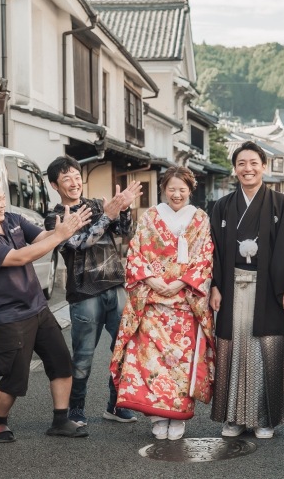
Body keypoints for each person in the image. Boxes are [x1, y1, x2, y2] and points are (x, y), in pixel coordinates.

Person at [0, 173, 92, 442]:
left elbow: (42, 236)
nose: (3, 203)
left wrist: (64, 229)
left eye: (3, 197)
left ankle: (60, 420)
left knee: (61, 363)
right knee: (14, 378)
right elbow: (20, 257)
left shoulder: (11, 219)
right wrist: (59, 236)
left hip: (38, 307)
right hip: (8, 316)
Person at [209, 141, 284, 439]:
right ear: (235, 169)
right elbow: (213, 250)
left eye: (253, 163)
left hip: (269, 288)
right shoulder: (222, 206)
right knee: (232, 348)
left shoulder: (280, 204)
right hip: (231, 286)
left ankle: (264, 418)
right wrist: (215, 286)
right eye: (241, 163)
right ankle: (233, 417)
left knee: (266, 347)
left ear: (264, 166)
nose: (248, 169)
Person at [110, 167, 215, 441]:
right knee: (151, 360)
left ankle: (178, 416)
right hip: (152, 300)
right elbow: (136, 252)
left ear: (190, 190)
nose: (177, 194)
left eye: (182, 189)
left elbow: (205, 257)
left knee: (180, 362)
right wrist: (151, 279)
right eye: (171, 189)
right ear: (163, 190)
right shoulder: (150, 216)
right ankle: (157, 416)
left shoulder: (200, 218)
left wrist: (181, 282)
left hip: (184, 302)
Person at [45, 155, 142, 426]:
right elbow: (80, 243)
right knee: (83, 357)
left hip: (115, 284)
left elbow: (125, 232)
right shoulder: (55, 217)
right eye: (66, 179)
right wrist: (107, 216)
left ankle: (116, 405)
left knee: (123, 350)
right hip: (84, 294)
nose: (74, 182)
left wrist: (124, 209)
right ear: (55, 185)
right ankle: (76, 409)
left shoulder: (99, 205)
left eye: (77, 176)